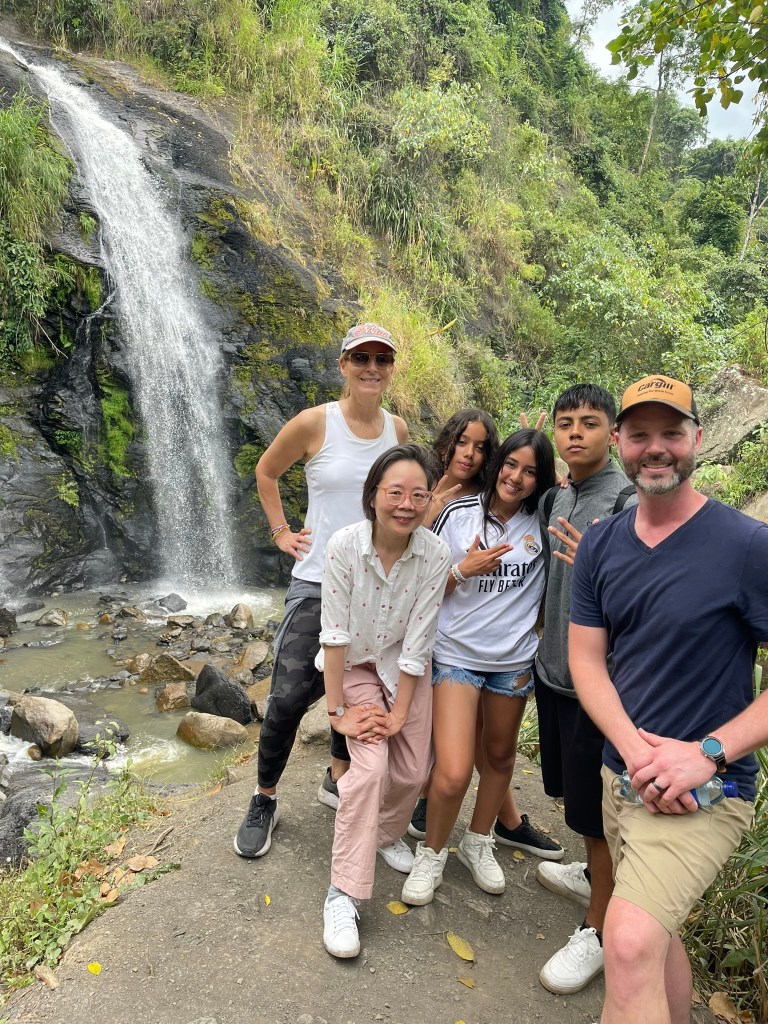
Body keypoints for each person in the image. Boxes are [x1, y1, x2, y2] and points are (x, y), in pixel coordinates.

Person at [569, 374, 768, 1024]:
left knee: (627, 943)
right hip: (622, 778)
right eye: (641, 434)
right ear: (620, 442)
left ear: (698, 438)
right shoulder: (601, 542)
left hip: (706, 791)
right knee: (656, 935)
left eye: (672, 433)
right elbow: (586, 660)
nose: (656, 448)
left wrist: (706, 753)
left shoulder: (747, 547)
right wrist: (635, 753)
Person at [233, 322, 407, 860]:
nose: (372, 368)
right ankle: (264, 797)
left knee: (358, 689)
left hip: (373, 586)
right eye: (362, 358)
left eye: (382, 359)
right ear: (344, 365)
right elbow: (266, 471)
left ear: (391, 368)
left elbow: (406, 496)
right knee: (287, 696)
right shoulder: (315, 423)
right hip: (316, 581)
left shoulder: (397, 431)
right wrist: (281, 532)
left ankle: (340, 781)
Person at [400, 428, 556, 906]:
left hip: (513, 661)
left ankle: (478, 840)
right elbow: (417, 583)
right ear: (497, 464)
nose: (516, 477)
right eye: (510, 464)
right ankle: (431, 854)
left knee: (500, 757)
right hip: (456, 656)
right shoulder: (458, 514)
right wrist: (461, 571)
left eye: (530, 472)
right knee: (451, 772)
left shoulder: (542, 521)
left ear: (541, 480)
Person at [319, 444, 450, 958]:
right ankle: (343, 893)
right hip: (353, 667)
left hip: (401, 666)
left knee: (414, 770)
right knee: (370, 769)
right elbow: (333, 635)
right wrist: (338, 714)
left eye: (419, 495)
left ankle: (383, 832)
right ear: (373, 495)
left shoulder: (434, 554)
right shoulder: (344, 546)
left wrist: (399, 714)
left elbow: (418, 641)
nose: (406, 504)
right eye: (395, 492)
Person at [533, 384, 636, 995]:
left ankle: (598, 928)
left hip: (598, 688)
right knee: (577, 799)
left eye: (590, 422)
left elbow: (646, 597)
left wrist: (604, 566)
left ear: (612, 434)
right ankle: (595, 875)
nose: (576, 432)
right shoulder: (559, 496)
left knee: (598, 815)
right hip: (552, 672)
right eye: (566, 422)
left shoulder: (626, 502)